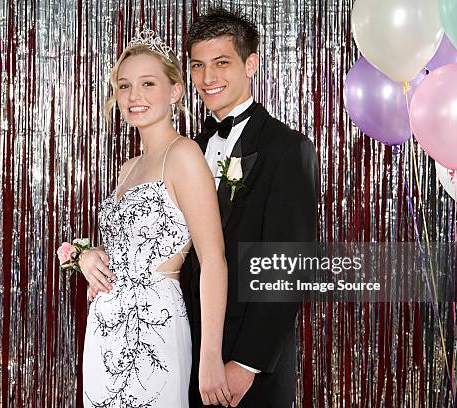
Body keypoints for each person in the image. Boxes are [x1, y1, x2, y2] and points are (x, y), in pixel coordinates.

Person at [80, 29, 231, 407]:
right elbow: (130, 243)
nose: (134, 97)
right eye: (125, 85)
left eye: (148, 83)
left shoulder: (184, 155)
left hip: (154, 328)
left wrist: (210, 356)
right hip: (104, 329)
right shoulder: (127, 168)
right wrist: (90, 257)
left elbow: (213, 259)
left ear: (175, 91)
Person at [183, 8, 318, 408]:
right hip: (184, 348)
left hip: (245, 366)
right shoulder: (187, 150)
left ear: (251, 64)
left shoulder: (287, 149)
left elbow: (289, 266)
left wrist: (246, 364)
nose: (209, 79)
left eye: (221, 63)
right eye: (198, 66)